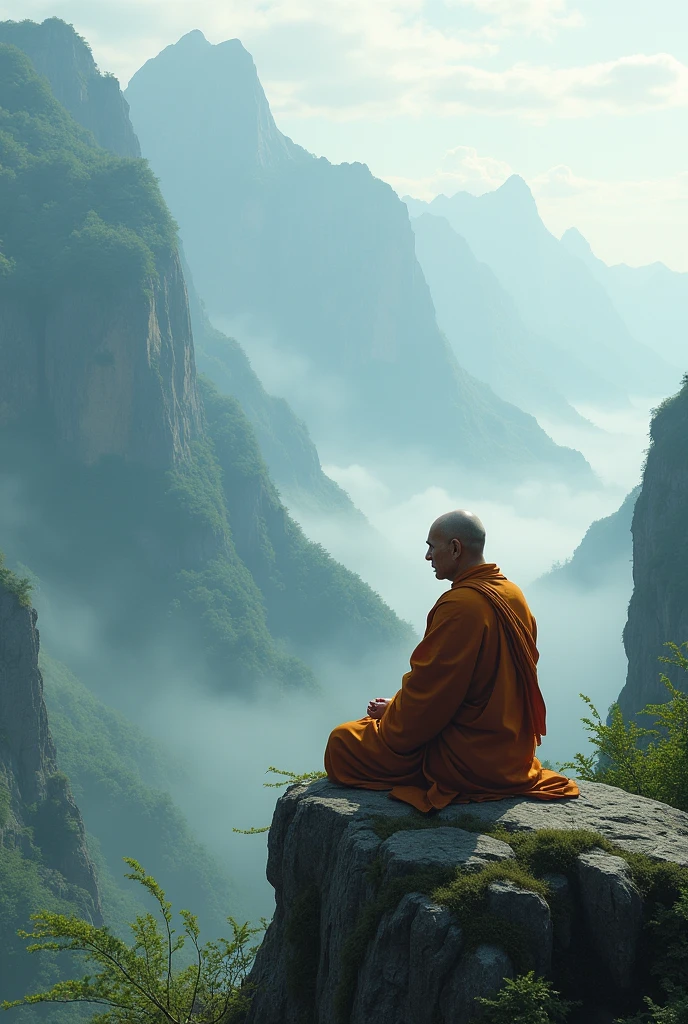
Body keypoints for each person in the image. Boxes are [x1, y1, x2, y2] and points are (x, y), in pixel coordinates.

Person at [324, 509, 579, 812]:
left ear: (456, 549)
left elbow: (430, 699)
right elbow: (466, 688)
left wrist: (392, 717)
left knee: (342, 742)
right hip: (512, 752)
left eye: (432, 546)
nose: (428, 557)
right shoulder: (513, 594)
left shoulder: (460, 606)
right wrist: (396, 706)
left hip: (469, 759)